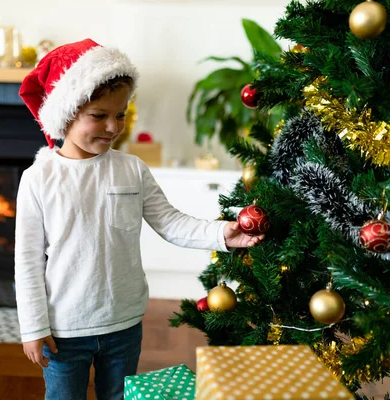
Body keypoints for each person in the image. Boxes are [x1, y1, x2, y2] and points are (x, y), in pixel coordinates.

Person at [15, 38, 265, 400]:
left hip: (124, 324)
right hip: (64, 329)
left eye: (120, 114)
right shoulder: (39, 179)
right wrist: (33, 327)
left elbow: (170, 222)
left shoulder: (132, 169)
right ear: (66, 112)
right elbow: (27, 261)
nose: (113, 126)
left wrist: (223, 234)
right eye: (99, 115)